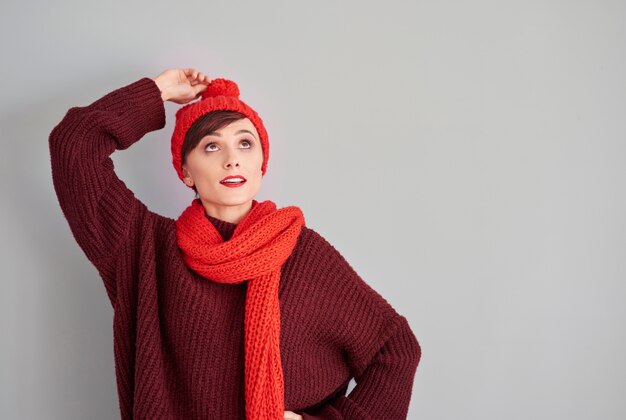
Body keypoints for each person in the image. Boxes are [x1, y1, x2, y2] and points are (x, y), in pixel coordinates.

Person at [49, 67, 421, 419]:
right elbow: (74, 144)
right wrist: (158, 91)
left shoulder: (302, 253)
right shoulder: (144, 248)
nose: (232, 160)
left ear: (262, 162)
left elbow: (396, 349)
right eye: (211, 147)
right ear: (185, 171)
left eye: (245, 143)